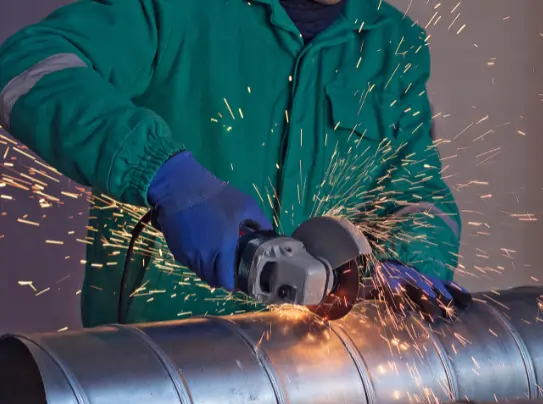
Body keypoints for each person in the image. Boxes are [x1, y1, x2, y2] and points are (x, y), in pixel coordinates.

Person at [0, 0, 468, 326]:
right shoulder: (176, 8)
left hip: (313, 382)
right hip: (152, 371)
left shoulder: (392, 46)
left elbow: (416, 197)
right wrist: (163, 173)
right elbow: (27, 67)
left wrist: (408, 266)